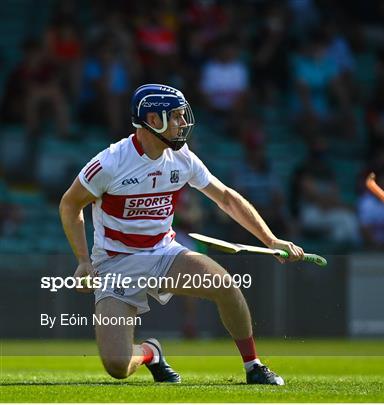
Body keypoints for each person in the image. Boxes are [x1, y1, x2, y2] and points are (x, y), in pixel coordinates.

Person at [59, 84, 305, 385]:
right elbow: (70, 205)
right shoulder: (110, 162)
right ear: (152, 119)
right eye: (175, 116)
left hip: (163, 254)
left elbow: (226, 198)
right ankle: (152, 352)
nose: (182, 122)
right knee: (117, 366)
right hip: (114, 264)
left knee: (226, 286)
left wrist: (271, 240)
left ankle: (254, 365)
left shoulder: (183, 157)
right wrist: (84, 261)